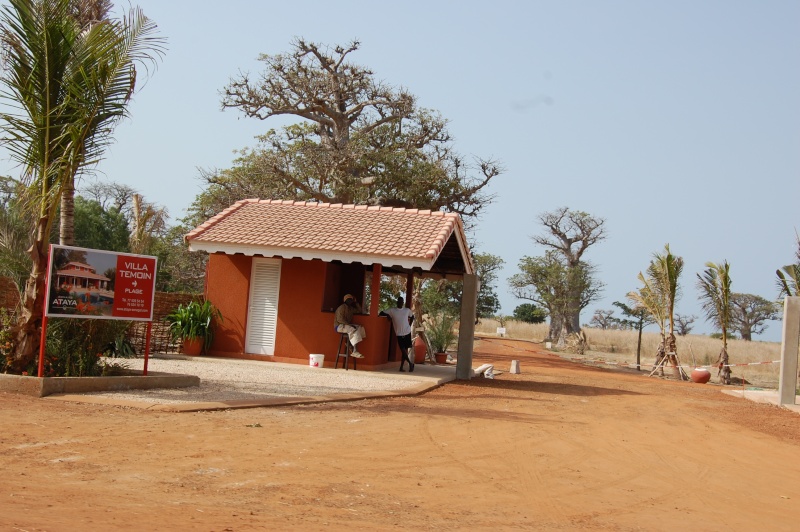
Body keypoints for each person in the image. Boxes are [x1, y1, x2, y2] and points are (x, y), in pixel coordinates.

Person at [380, 296, 415, 372]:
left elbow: (412, 316)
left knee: (404, 351)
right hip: (399, 333)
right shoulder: (392, 310)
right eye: (398, 301)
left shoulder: (407, 310)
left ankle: (401, 367)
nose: (400, 303)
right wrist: (388, 315)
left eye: (401, 302)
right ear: (397, 302)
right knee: (402, 350)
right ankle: (410, 363)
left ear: (403, 303)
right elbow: (381, 312)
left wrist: (409, 325)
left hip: (407, 332)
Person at [334, 294, 365, 358]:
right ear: (345, 300)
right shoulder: (341, 307)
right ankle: (355, 351)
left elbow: (359, 311)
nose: (350, 301)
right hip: (339, 326)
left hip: (346, 325)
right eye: (348, 299)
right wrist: (349, 325)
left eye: (351, 300)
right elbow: (339, 319)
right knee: (352, 329)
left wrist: (356, 302)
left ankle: (350, 345)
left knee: (360, 328)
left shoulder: (351, 309)